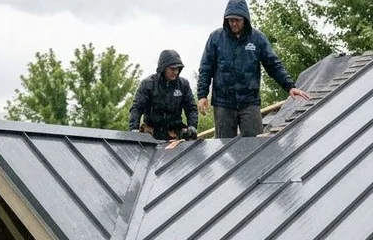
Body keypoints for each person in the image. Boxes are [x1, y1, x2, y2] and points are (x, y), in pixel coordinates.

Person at [196, 0, 311, 138]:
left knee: (256, 144)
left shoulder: (257, 39)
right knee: (223, 147)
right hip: (223, 103)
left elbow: (273, 64)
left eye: (237, 20)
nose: (233, 23)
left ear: (245, 19)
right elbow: (206, 67)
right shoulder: (216, 38)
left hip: (249, 102)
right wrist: (202, 95)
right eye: (230, 20)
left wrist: (289, 86)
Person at [129, 49, 199, 141]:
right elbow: (137, 108)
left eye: (177, 69)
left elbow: (191, 109)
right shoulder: (148, 84)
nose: (175, 72)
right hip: (152, 133)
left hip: (176, 134)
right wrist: (134, 129)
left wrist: (192, 126)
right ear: (163, 68)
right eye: (172, 68)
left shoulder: (183, 85)